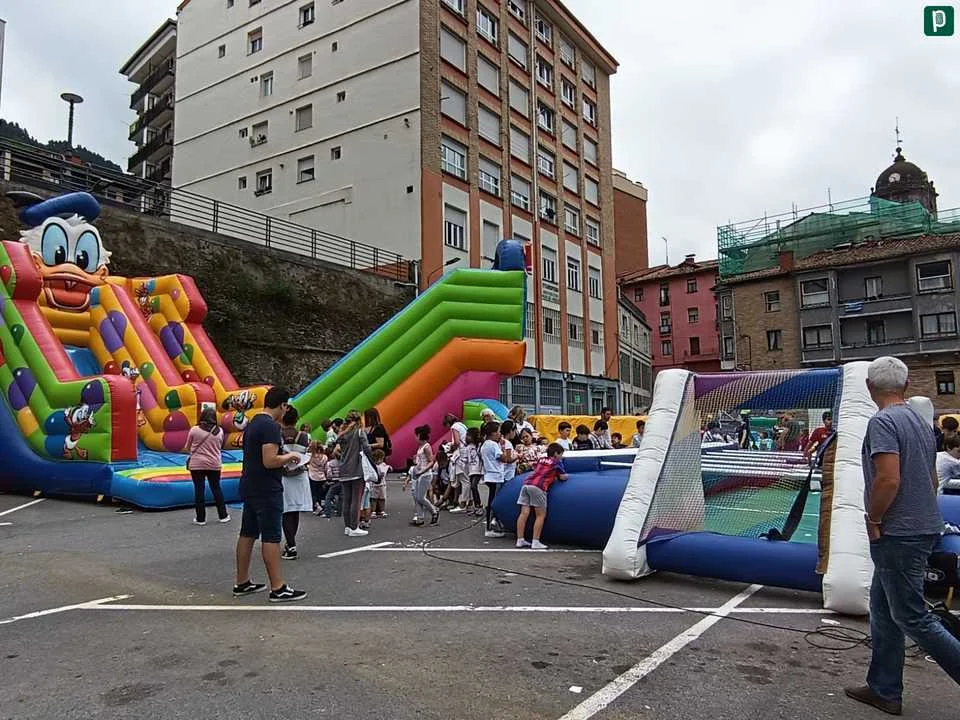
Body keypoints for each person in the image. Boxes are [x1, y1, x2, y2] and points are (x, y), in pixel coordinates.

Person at [844, 356, 960, 715]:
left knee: (912, 616)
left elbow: (888, 477)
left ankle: (887, 688)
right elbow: (930, 477)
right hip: (922, 524)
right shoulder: (920, 422)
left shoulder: (882, 422)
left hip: (898, 532)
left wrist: (874, 517)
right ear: (906, 385)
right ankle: (884, 688)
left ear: (869, 387)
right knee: (883, 610)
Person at [234, 387, 306, 603]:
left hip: (250, 484)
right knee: (271, 536)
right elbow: (269, 460)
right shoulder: (270, 427)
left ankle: (242, 581)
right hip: (267, 488)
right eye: (286, 407)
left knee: (247, 533)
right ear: (282, 405)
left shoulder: (254, 423)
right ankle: (278, 587)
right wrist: (290, 457)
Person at [516, 442, 568, 550]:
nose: (561, 457)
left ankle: (520, 539)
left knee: (523, 513)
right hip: (538, 487)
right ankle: (536, 541)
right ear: (556, 454)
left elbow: (536, 468)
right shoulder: (556, 462)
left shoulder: (541, 459)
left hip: (526, 484)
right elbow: (563, 477)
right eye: (560, 454)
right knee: (540, 515)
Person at [279, 407, 313, 560]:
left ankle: (291, 545)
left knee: (286, 511)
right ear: (296, 419)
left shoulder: (277, 434)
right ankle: (290, 543)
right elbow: (305, 453)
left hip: (283, 475)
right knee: (295, 510)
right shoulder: (304, 436)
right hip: (300, 474)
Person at [336, 410, 376, 537]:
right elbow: (367, 448)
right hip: (357, 468)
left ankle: (348, 526)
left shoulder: (343, 434)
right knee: (356, 500)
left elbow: (336, 446)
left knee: (347, 499)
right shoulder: (359, 432)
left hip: (343, 469)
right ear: (359, 420)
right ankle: (354, 527)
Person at [187, 406, 229, 525]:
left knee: (199, 490)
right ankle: (223, 515)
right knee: (216, 489)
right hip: (214, 464)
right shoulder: (220, 431)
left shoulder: (195, 430)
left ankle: (201, 519)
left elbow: (188, 446)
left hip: (197, 464)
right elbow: (220, 446)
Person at [404, 424, 439, 526]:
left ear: (419, 435)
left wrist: (422, 470)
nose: (415, 438)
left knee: (421, 497)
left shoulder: (426, 447)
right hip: (419, 474)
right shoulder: (421, 447)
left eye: (416, 435)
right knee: (417, 497)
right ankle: (420, 518)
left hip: (425, 474)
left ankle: (434, 511)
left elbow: (431, 461)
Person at [480, 421, 507, 537]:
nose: (500, 434)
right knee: (494, 503)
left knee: (492, 500)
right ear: (493, 433)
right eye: (498, 432)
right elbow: (503, 458)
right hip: (495, 476)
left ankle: (493, 523)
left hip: (489, 475)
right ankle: (490, 527)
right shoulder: (494, 445)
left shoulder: (484, 445)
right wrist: (504, 447)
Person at [307, 440, 329, 515]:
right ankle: (319, 506)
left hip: (313, 476)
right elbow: (326, 468)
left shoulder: (311, 456)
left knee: (313, 493)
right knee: (319, 493)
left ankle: (317, 506)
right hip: (322, 477)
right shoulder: (325, 457)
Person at [370, 448, 390, 518]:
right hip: (374, 484)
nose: (381, 461)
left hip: (382, 484)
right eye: (380, 459)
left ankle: (382, 511)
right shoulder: (373, 466)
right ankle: (373, 511)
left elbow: (387, 469)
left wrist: (388, 468)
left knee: (382, 498)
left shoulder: (383, 464)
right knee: (374, 498)